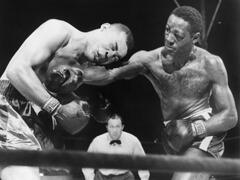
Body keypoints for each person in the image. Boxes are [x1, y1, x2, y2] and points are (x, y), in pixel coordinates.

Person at [82, 6, 238, 180]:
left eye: (177, 35)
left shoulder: (210, 64)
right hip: (172, 136)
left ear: (195, 38)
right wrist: (77, 72)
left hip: (204, 132)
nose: (169, 39)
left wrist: (194, 129)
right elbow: (109, 75)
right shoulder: (150, 61)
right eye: (167, 30)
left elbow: (230, 116)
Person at [0, 19, 134, 180]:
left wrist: (85, 109)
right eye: (113, 47)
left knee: (60, 175)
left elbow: (123, 72)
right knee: (22, 175)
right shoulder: (60, 31)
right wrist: (56, 108)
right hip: (9, 104)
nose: (109, 55)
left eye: (115, 57)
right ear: (104, 27)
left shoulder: (85, 70)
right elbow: (16, 70)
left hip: (39, 123)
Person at [82, 114, 150, 180]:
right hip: (101, 177)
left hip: (125, 177)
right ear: (107, 127)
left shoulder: (133, 141)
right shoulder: (97, 141)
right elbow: (87, 165)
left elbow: (142, 163)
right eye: (111, 127)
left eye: (117, 126)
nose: (115, 130)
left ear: (122, 127)